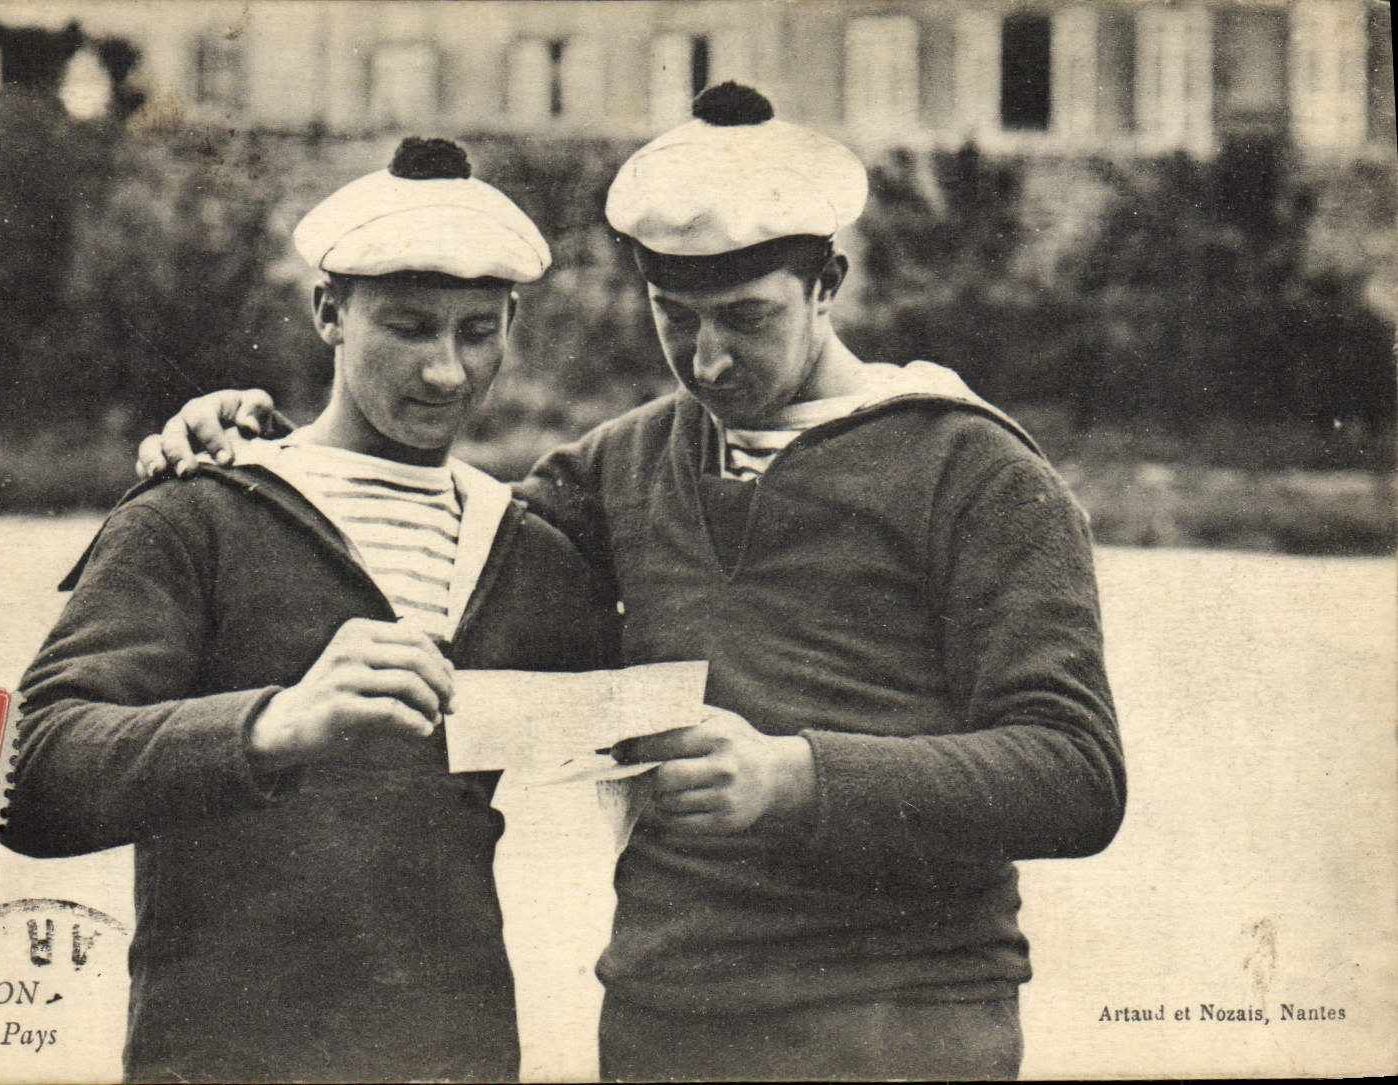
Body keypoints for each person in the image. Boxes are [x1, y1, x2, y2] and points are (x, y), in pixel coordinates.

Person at [139, 84, 1126, 1081]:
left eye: (744, 317)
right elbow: (425, 553)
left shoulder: (977, 470)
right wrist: (250, 444)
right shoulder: (623, 462)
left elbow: (1076, 773)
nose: (705, 359)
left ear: (826, 283)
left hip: (901, 1021)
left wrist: (800, 776)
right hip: (663, 1018)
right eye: (674, 315)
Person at [1, 137, 614, 1084]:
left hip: (457, 1054)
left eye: (477, 330)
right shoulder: (199, 506)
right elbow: (31, 774)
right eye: (409, 327)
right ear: (329, 310)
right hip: (227, 1055)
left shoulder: (530, 550)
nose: (447, 371)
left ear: (512, 322)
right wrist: (273, 723)